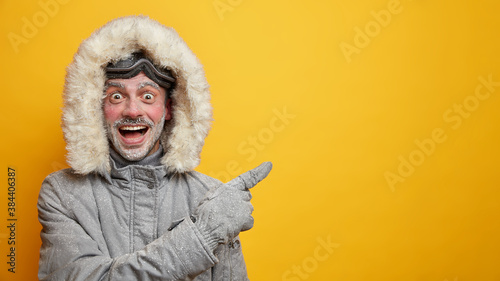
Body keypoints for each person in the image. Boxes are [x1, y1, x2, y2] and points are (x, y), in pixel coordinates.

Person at [37, 16, 272, 280]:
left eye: (148, 96)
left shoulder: (212, 199)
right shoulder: (62, 194)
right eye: (117, 96)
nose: (133, 110)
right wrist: (202, 235)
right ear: (96, 107)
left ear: (170, 108)